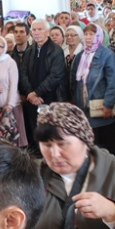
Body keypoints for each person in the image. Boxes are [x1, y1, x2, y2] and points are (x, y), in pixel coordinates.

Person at [70, 24, 115, 154]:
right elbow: (75, 82)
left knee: (105, 149)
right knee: (90, 150)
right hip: (84, 109)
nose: (88, 37)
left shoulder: (107, 54)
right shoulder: (81, 55)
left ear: (99, 36)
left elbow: (112, 82)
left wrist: (108, 104)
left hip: (100, 107)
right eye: (86, 34)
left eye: (91, 34)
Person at [21, 18, 67, 148]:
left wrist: (36, 93)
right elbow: (23, 73)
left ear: (47, 31)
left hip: (50, 98)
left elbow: (55, 76)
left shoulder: (56, 50)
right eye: (34, 30)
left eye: (40, 29)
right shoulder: (30, 50)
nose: (36, 32)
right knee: (35, 133)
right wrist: (30, 94)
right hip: (32, 99)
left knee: (50, 133)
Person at [0, 36, 25, 146]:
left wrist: (10, 105)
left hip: (10, 108)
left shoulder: (10, 63)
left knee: (12, 140)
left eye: (0, 46)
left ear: (5, 48)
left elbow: (14, 85)